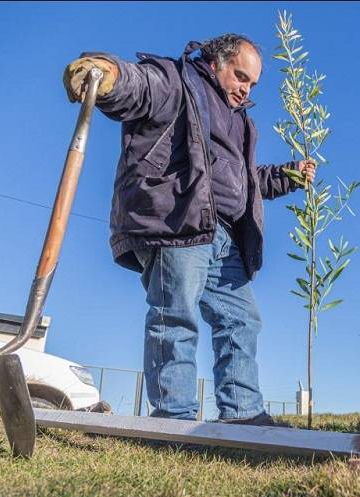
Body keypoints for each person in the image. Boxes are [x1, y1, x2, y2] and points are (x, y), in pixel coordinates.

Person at [63, 34, 316, 424]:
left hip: (226, 234)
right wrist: (108, 74)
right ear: (216, 62)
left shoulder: (240, 121)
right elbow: (138, 85)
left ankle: (243, 415)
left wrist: (286, 176)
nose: (246, 89)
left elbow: (246, 181)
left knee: (242, 319)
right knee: (174, 315)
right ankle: (174, 416)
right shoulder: (177, 81)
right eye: (241, 76)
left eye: (253, 83)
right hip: (177, 223)